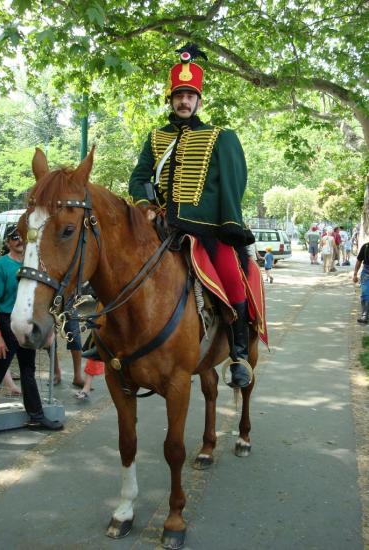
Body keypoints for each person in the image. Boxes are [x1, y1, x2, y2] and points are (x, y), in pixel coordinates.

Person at [128, 44, 255, 388]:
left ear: (199, 101)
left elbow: (232, 183)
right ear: (170, 99)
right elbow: (138, 178)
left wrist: (229, 225)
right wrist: (145, 205)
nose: (184, 101)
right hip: (162, 228)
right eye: (179, 95)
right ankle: (110, 340)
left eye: (190, 96)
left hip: (209, 231)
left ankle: (239, 354)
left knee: (232, 278)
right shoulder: (156, 138)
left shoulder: (220, 138)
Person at [0, 225, 63, 451]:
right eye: (14, 237)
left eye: (23, 237)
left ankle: (36, 415)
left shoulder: (32, 266)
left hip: (25, 321)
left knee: (28, 369)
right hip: (7, 323)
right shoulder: (0, 266)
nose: (20, 240)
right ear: (7, 242)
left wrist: (47, 328)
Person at [353, 242, 369, 323]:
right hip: (366, 273)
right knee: (365, 294)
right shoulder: (366, 247)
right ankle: (364, 315)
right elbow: (359, 261)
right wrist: (355, 274)